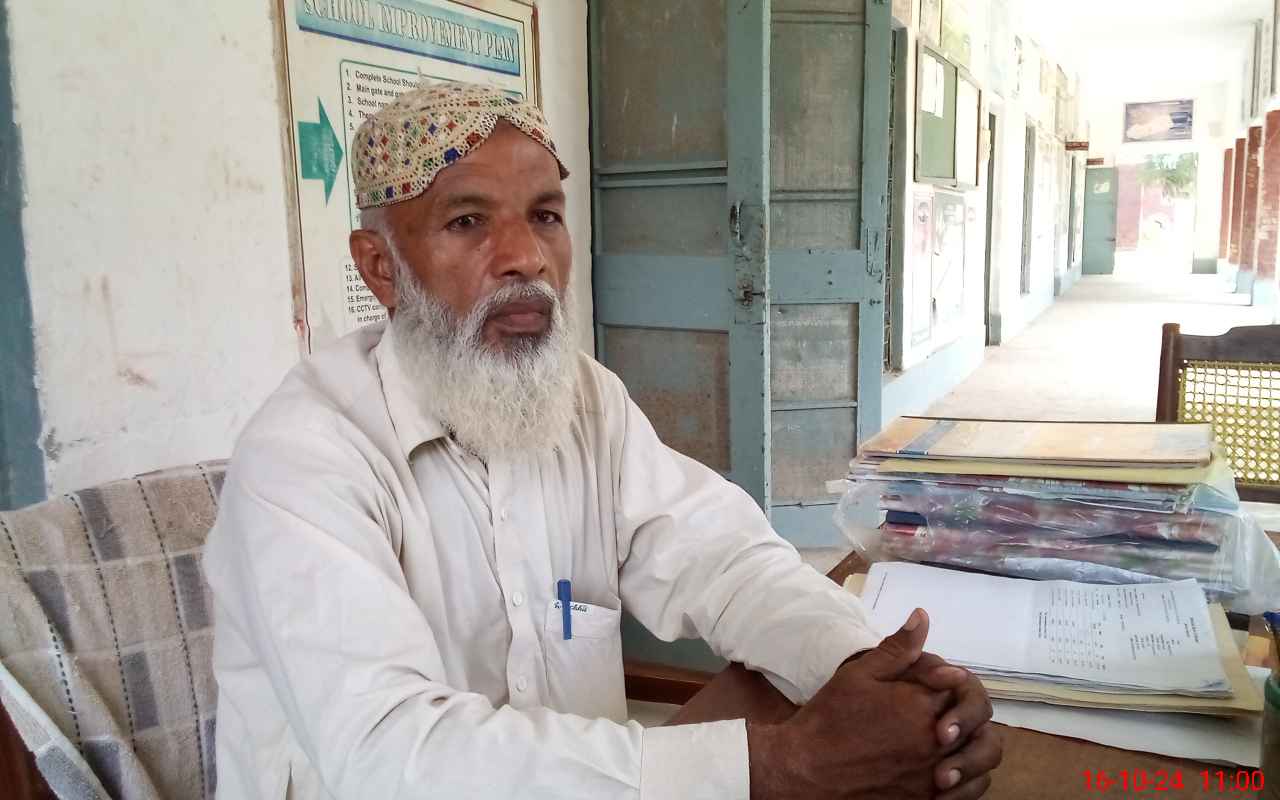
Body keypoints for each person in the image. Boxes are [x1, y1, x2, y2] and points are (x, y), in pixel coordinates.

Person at [204, 81, 1002, 799]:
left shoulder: (584, 400)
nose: (525, 258)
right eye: (467, 221)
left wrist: (873, 674)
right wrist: (777, 765)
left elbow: (724, 561)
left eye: (545, 215)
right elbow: (387, 755)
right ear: (381, 268)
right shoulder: (303, 457)